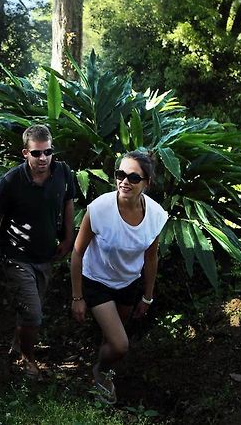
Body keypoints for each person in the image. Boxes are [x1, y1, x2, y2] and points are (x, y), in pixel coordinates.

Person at [70, 150, 168, 404]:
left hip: (128, 283)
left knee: (111, 341)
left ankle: (103, 373)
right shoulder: (100, 208)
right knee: (121, 344)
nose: (125, 181)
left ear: (147, 183)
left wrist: (147, 296)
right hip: (96, 281)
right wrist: (77, 296)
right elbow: (78, 253)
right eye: (120, 174)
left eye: (134, 178)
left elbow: (151, 258)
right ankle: (100, 373)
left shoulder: (156, 216)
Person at [0, 124, 75, 377]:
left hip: (46, 256)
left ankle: (18, 344)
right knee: (34, 314)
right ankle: (28, 358)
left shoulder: (63, 173)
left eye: (48, 152)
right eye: (37, 153)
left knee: (30, 307)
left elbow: (69, 203)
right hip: (16, 256)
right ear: (25, 153)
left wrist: (68, 239)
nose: (43, 158)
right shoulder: (11, 181)